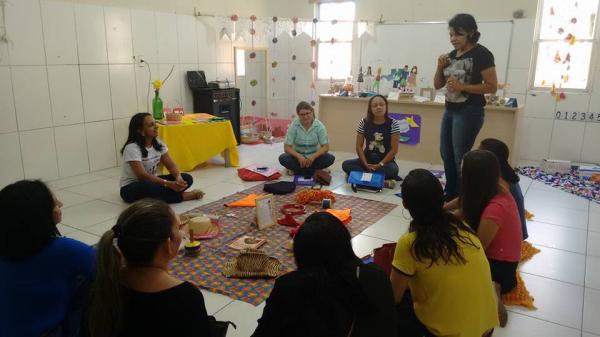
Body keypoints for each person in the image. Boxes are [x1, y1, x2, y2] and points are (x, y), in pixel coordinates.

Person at [252, 212, 396, 337]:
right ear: (345, 244)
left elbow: (265, 332)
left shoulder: (290, 286)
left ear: (301, 252)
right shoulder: (375, 275)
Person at [390, 169, 497, 337]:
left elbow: (393, 296)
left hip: (445, 334)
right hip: (486, 330)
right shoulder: (464, 228)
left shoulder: (410, 243)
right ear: (442, 198)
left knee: (391, 307)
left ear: (405, 204)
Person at [87, 199, 211, 337]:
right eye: (178, 228)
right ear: (168, 244)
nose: (181, 232)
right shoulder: (186, 297)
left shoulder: (104, 284)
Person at [0, 180, 96, 337]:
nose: (61, 204)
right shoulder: (63, 250)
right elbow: (106, 265)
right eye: (54, 204)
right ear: (39, 215)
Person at [434, 13, 498, 200]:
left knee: (460, 157)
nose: (453, 39)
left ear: (471, 33)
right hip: (450, 109)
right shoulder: (452, 55)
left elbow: (492, 86)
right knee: (446, 154)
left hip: (469, 111)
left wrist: (464, 87)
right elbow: (438, 85)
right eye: (451, 34)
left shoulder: (482, 54)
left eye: (458, 34)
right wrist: (439, 66)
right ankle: (452, 192)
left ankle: (465, 196)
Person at [459, 150, 522, 327]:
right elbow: (464, 202)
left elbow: (478, 247)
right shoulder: (497, 186)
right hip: (501, 257)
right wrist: (443, 209)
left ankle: (494, 288)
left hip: (500, 265)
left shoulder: (495, 210)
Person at [119, 112, 204, 204]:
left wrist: (178, 178)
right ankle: (183, 196)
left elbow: (171, 165)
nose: (156, 126)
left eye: (155, 123)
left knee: (187, 178)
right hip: (131, 188)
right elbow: (142, 176)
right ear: (140, 131)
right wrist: (168, 184)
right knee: (149, 187)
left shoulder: (159, 144)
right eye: (151, 125)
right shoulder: (132, 148)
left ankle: (160, 196)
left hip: (152, 183)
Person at [342, 95, 400, 187]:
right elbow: (359, 146)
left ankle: (359, 177)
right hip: (367, 160)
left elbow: (394, 150)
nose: (379, 107)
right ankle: (380, 181)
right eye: (375, 105)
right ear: (370, 108)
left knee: (393, 170)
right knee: (346, 164)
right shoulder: (363, 122)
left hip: (385, 162)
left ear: (386, 106)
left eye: (381, 104)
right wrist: (365, 164)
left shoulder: (394, 123)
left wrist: (379, 165)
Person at [479, 138, 528, 240]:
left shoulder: (497, 181)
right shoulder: (506, 172)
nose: (475, 153)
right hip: (518, 232)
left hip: (511, 238)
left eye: (479, 151)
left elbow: (471, 203)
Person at [279, 101, 335, 177]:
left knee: (330, 158)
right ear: (298, 115)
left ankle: (298, 171)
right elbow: (287, 148)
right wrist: (299, 157)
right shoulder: (294, 126)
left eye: (308, 113)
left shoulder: (319, 126)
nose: (305, 117)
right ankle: (314, 171)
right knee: (283, 158)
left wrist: (312, 157)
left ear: (312, 112)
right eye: (302, 114)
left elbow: (325, 147)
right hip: (297, 158)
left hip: (314, 158)